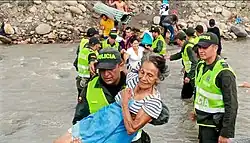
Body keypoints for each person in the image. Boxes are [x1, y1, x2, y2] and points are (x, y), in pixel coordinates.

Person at [54, 50, 169, 143]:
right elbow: (80, 115)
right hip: (97, 123)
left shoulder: (132, 82)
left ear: (120, 66)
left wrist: (128, 106)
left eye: (110, 69)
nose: (106, 74)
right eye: (102, 69)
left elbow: (161, 116)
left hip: (123, 135)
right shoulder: (92, 86)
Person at [191, 32, 238, 143]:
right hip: (203, 121)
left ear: (215, 48)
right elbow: (199, 90)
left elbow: (232, 105)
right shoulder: (201, 65)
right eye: (199, 47)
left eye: (205, 47)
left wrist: (225, 133)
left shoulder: (224, 72)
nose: (201, 50)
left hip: (216, 125)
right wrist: (195, 110)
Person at [167, 31, 198, 99]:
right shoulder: (185, 46)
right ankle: (187, 107)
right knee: (185, 96)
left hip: (192, 74)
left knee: (193, 94)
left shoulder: (189, 48)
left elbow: (195, 62)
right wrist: (170, 57)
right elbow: (180, 54)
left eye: (178, 41)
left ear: (182, 40)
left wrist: (189, 77)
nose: (177, 43)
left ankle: (191, 108)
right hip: (188, 72)